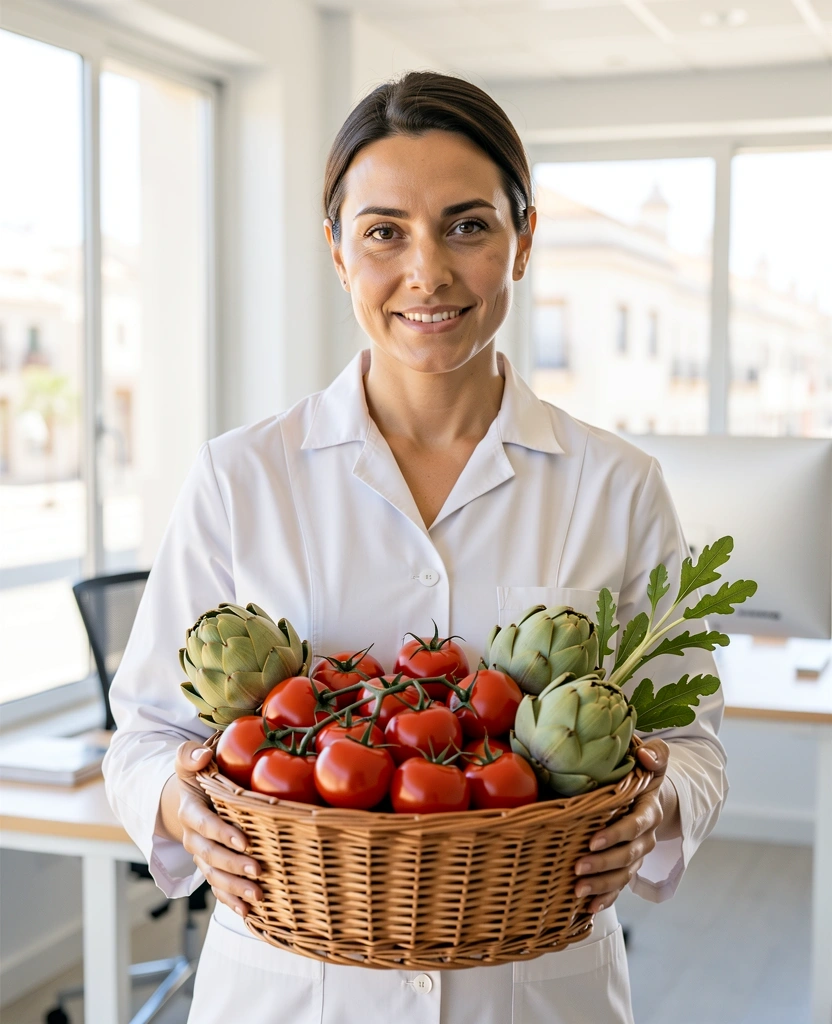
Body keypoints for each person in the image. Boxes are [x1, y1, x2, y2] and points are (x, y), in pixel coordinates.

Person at [103, 70, 727, 1024]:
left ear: (522, 240)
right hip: (291, 987)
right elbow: (145, 734)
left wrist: (660, 806)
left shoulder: (618, 484)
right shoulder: (241, 477)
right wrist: (177, 808)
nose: (427, 272)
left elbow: (693, 746)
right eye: (384, 231)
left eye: (469, 225)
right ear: (338, 252)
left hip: (531, 987)